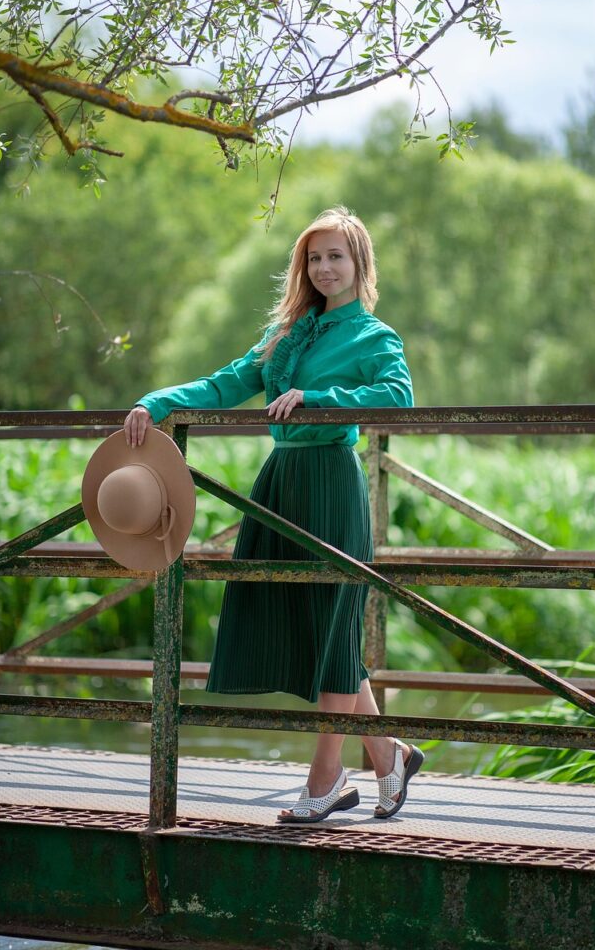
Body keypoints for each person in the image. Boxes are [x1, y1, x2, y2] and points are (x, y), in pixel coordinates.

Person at [124, 206, 424, 824]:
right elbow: (224, 385)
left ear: (359, 263)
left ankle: (326, 777)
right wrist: (154, 403)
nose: (324, 268)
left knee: (335, 624)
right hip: (281, 483)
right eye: (314, 258)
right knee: (321, 629)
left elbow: (398, 395)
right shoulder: (285, 335)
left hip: (331, 483)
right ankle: (387, 754)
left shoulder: (375, 336)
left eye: (336, 256)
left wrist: (317, 399)